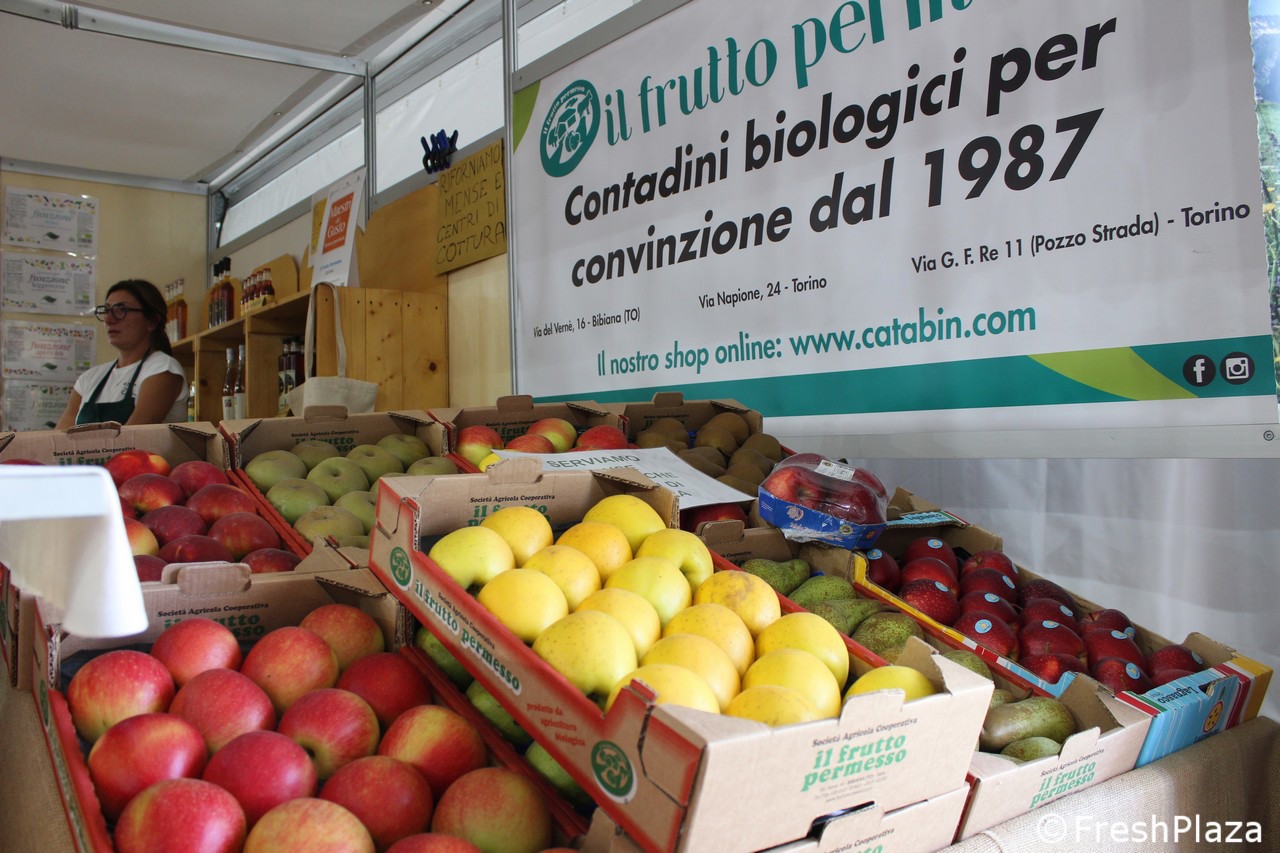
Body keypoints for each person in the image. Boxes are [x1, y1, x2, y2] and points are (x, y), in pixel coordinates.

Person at [56, 279, 188, 428]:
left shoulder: (163, 368)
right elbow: (59, 437)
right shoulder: (89, 378)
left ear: (152, 321)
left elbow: (133, 436)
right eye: (106, 310)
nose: (108, 319)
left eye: (121, 310)